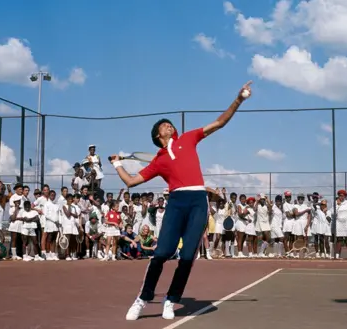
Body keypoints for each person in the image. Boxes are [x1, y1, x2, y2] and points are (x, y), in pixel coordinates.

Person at [108, 81, 252, 321]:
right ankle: (143, 298)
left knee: (187, 257)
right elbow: (131, 182)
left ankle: (171, 300)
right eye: (164, 125)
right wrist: (116, 164)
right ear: (158, 135)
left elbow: (219, 123)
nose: (169, 125)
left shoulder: (189, 137)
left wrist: (238, 100)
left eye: (169, 123)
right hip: (176, 202)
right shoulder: (158, 161)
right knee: (162, 253)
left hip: (197, 200)